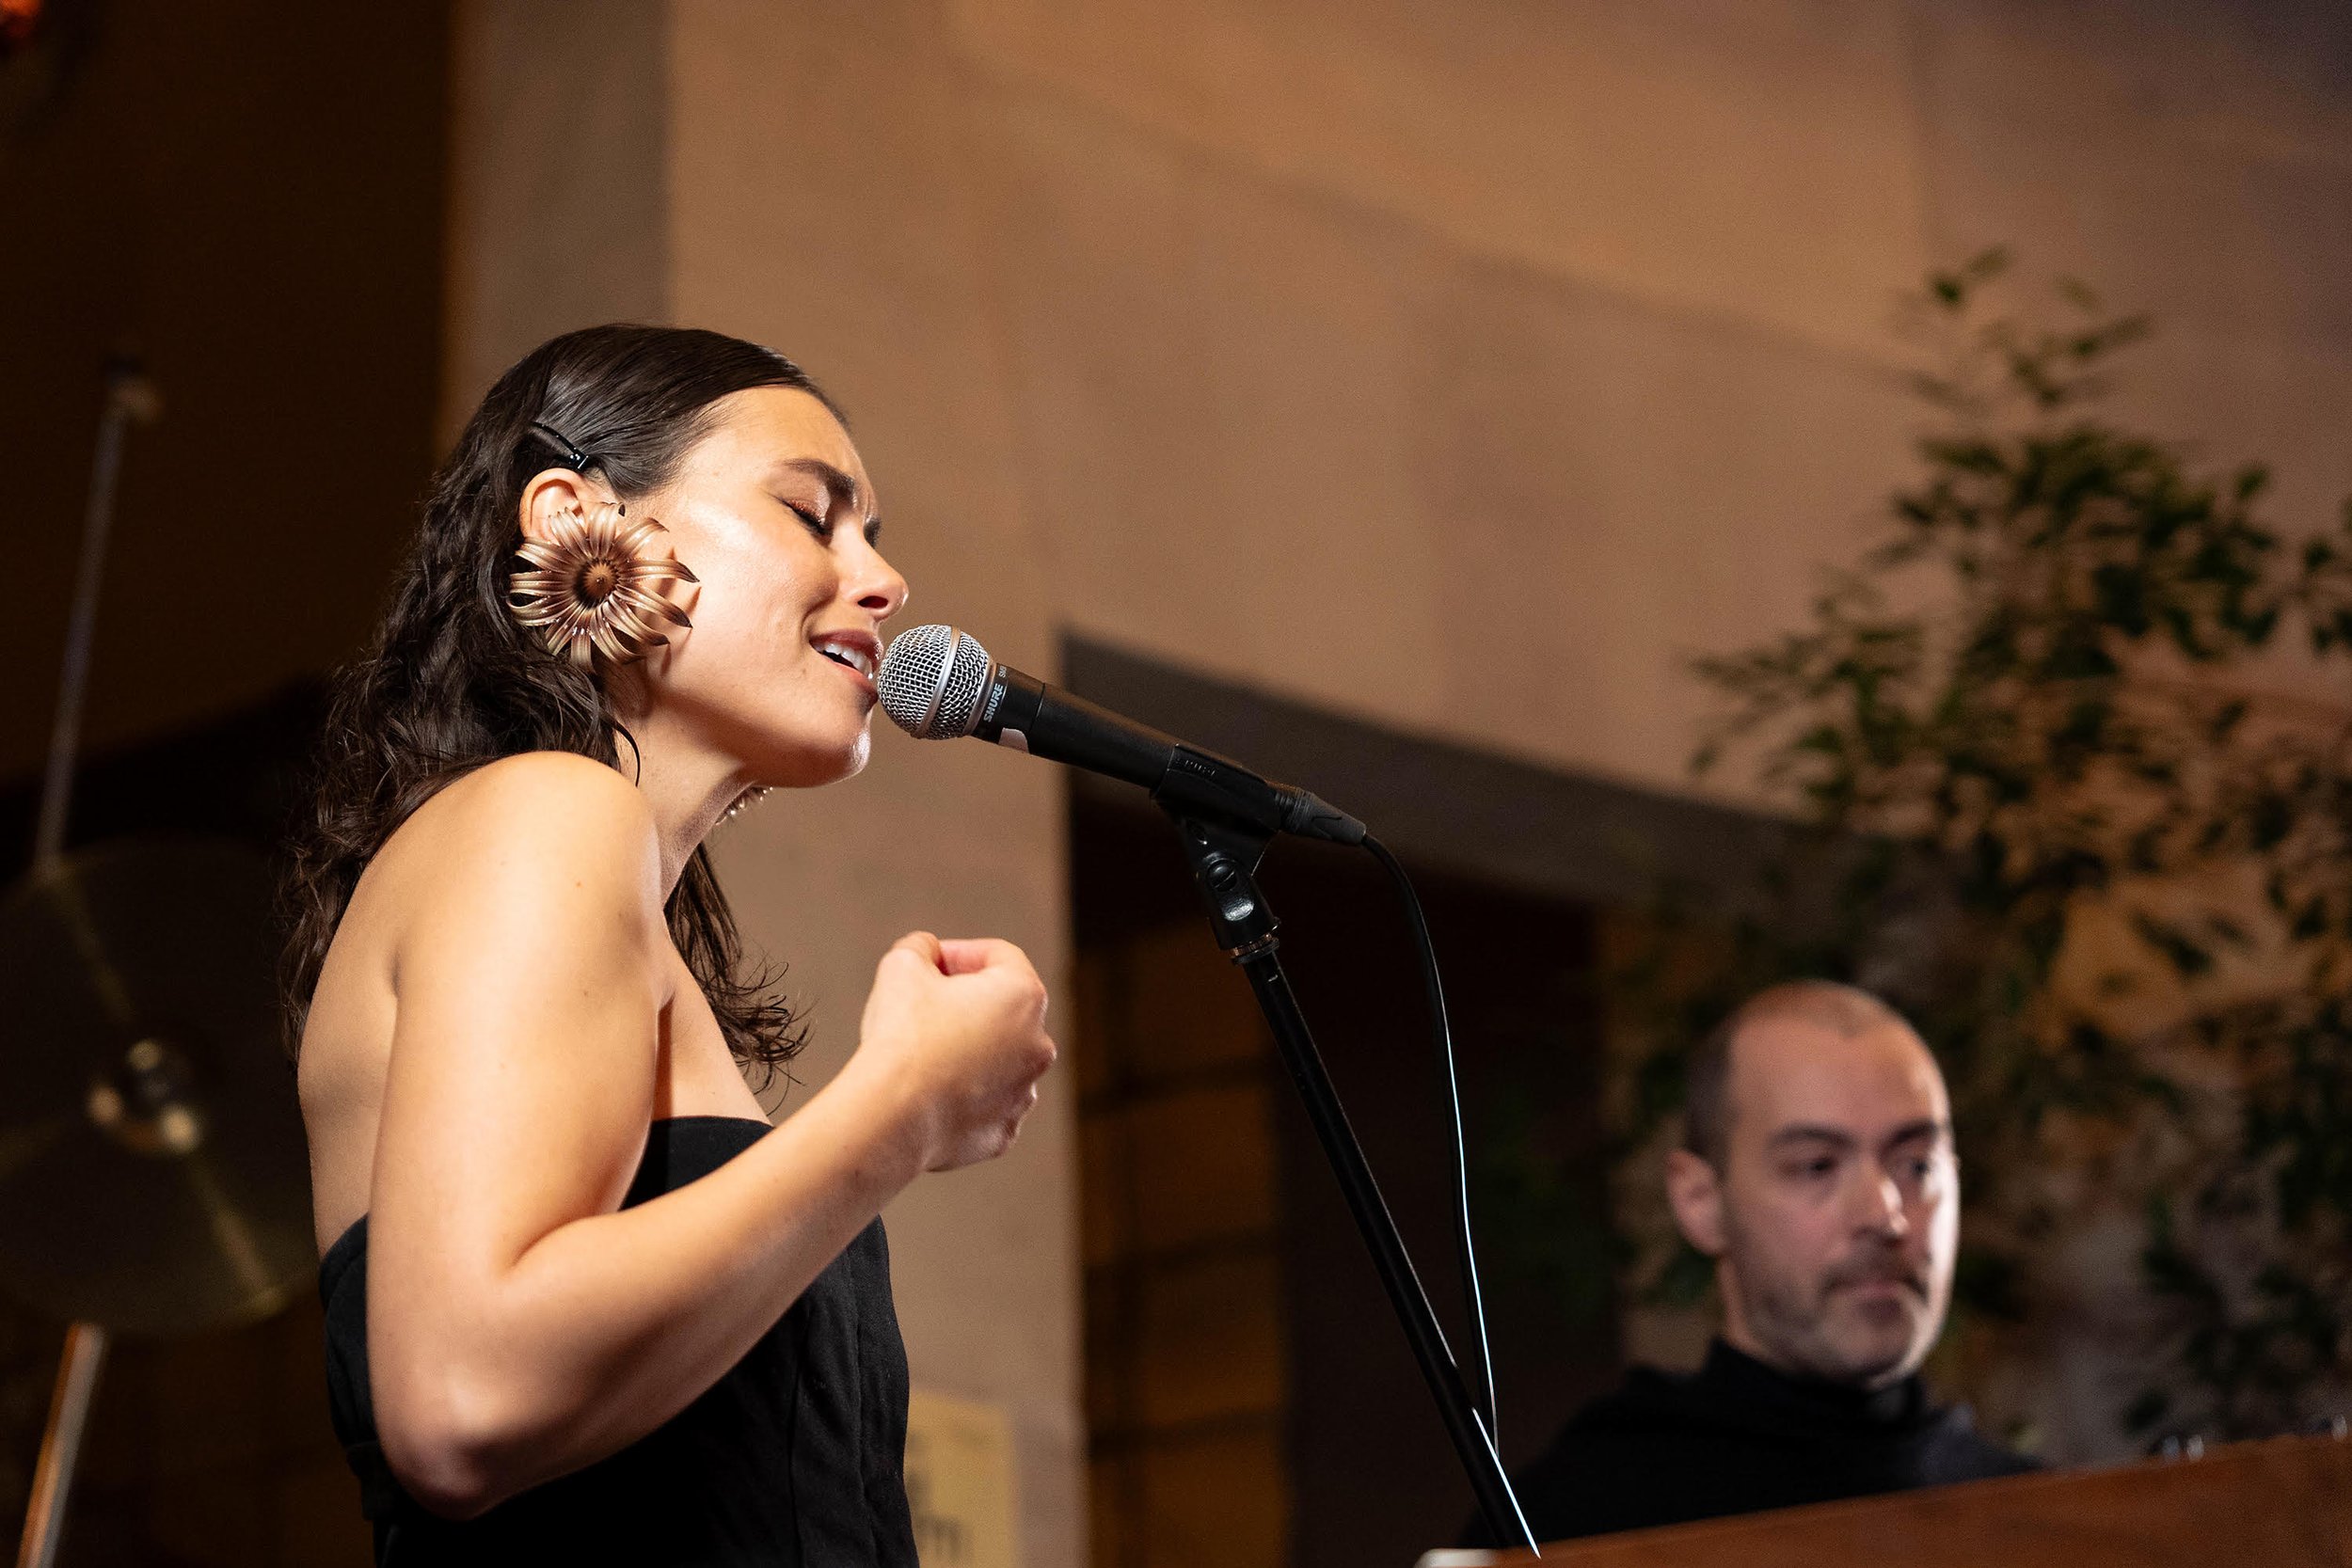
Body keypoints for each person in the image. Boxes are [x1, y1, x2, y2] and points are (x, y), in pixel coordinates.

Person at [284, 325, 1057, 1565]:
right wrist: (901, 1106)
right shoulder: (547, 808)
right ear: (576, 519)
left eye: (875, 535)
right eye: (815, 514)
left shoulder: (594, 876)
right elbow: (462, 1399)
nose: (884, 580)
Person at [1469, 980, 2034, 1546]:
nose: (1885, 1216)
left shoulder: (2049, 1518)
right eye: (1816, 1166)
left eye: (1918, 1166)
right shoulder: (1572, 1524)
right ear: (1701, 1202)